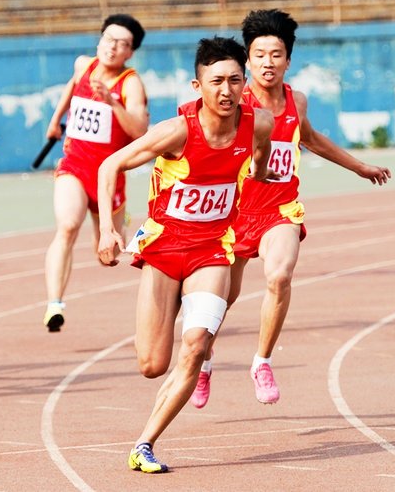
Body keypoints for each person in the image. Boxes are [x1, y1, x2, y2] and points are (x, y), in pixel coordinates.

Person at [190, 9, 392, 409]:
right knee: (219, 303)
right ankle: (204, 362)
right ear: (246, 60)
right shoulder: (232, 100)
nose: (268, 62)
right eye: (260, 54)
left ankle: (262, 362)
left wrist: (360, 167)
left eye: (276, 54)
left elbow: (312, 139)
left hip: (278, 210)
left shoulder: (296, 100)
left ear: (288, 59)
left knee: (279, 276)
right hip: (230, 216)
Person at [95, 36, 275, 473]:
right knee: (152, 365)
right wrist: (107, 230)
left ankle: (145, 444)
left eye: (235, 80)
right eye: (216, 81)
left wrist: (260, 172)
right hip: (163, 249)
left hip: (212, 250)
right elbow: (109, 166)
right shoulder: (177, 131)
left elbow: (261, 152)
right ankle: (182, 348)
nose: (227, 90)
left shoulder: (259, 123)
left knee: (194, 347)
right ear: (198, 87)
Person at [41, 14, 148, 332]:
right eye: (109, 39)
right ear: (100, 40)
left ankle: (119, 220)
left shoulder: (130, 83)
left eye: (122, 44)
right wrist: (55, 119)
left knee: (109, 255)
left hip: (109, 176)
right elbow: (71, 88)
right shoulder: (83, 65)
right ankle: (54, 304)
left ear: (130, 52)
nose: (112, 47)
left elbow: (139, 130)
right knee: (67, 226)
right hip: (74, 165)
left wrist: (112, 102)